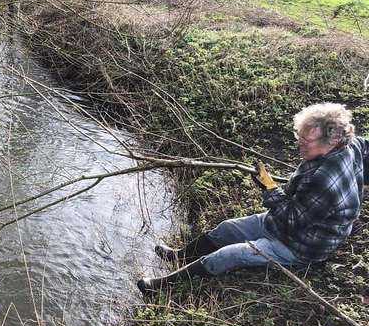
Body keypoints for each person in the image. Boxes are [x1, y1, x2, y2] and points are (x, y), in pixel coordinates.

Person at [138, 103, 369, 294]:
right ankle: (178, 256)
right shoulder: (354, 144)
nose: (299, 143)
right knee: (226, 229)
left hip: (301, 243)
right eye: (299, 135)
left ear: (332, 142)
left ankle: (162, 287)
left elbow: (290, 222)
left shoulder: (325, 181)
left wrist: (269, 189)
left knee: (229, 255)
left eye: (306, 141)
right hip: (291, 220)